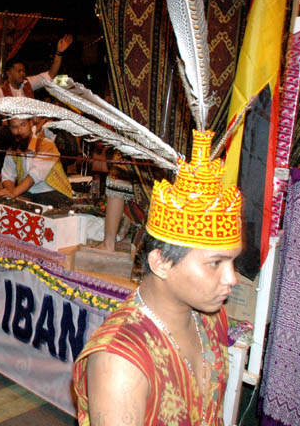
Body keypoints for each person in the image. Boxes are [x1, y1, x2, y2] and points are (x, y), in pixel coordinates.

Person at [73, 131, 243, 425]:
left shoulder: (212, 316)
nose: (231, 278)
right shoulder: (121, 363)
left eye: (233, 261)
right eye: (215, 263)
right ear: (161, 262)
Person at [0, 117, 73, 208]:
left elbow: (34, 176)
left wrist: (13, 193)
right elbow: (7, 177)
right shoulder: (12, 150)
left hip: (53, 193)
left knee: (35, 204)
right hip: (26, 193)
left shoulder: (46, 145)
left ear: (31, 123)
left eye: (23, 125)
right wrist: (12, 195)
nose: (19, 130)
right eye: (14, 127)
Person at [0, 34, 74, 98]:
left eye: (23, 71)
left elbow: (51, 74)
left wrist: (59, 53)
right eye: (19, 71)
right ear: (9, 73)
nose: (22, 74)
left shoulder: (28, 83)